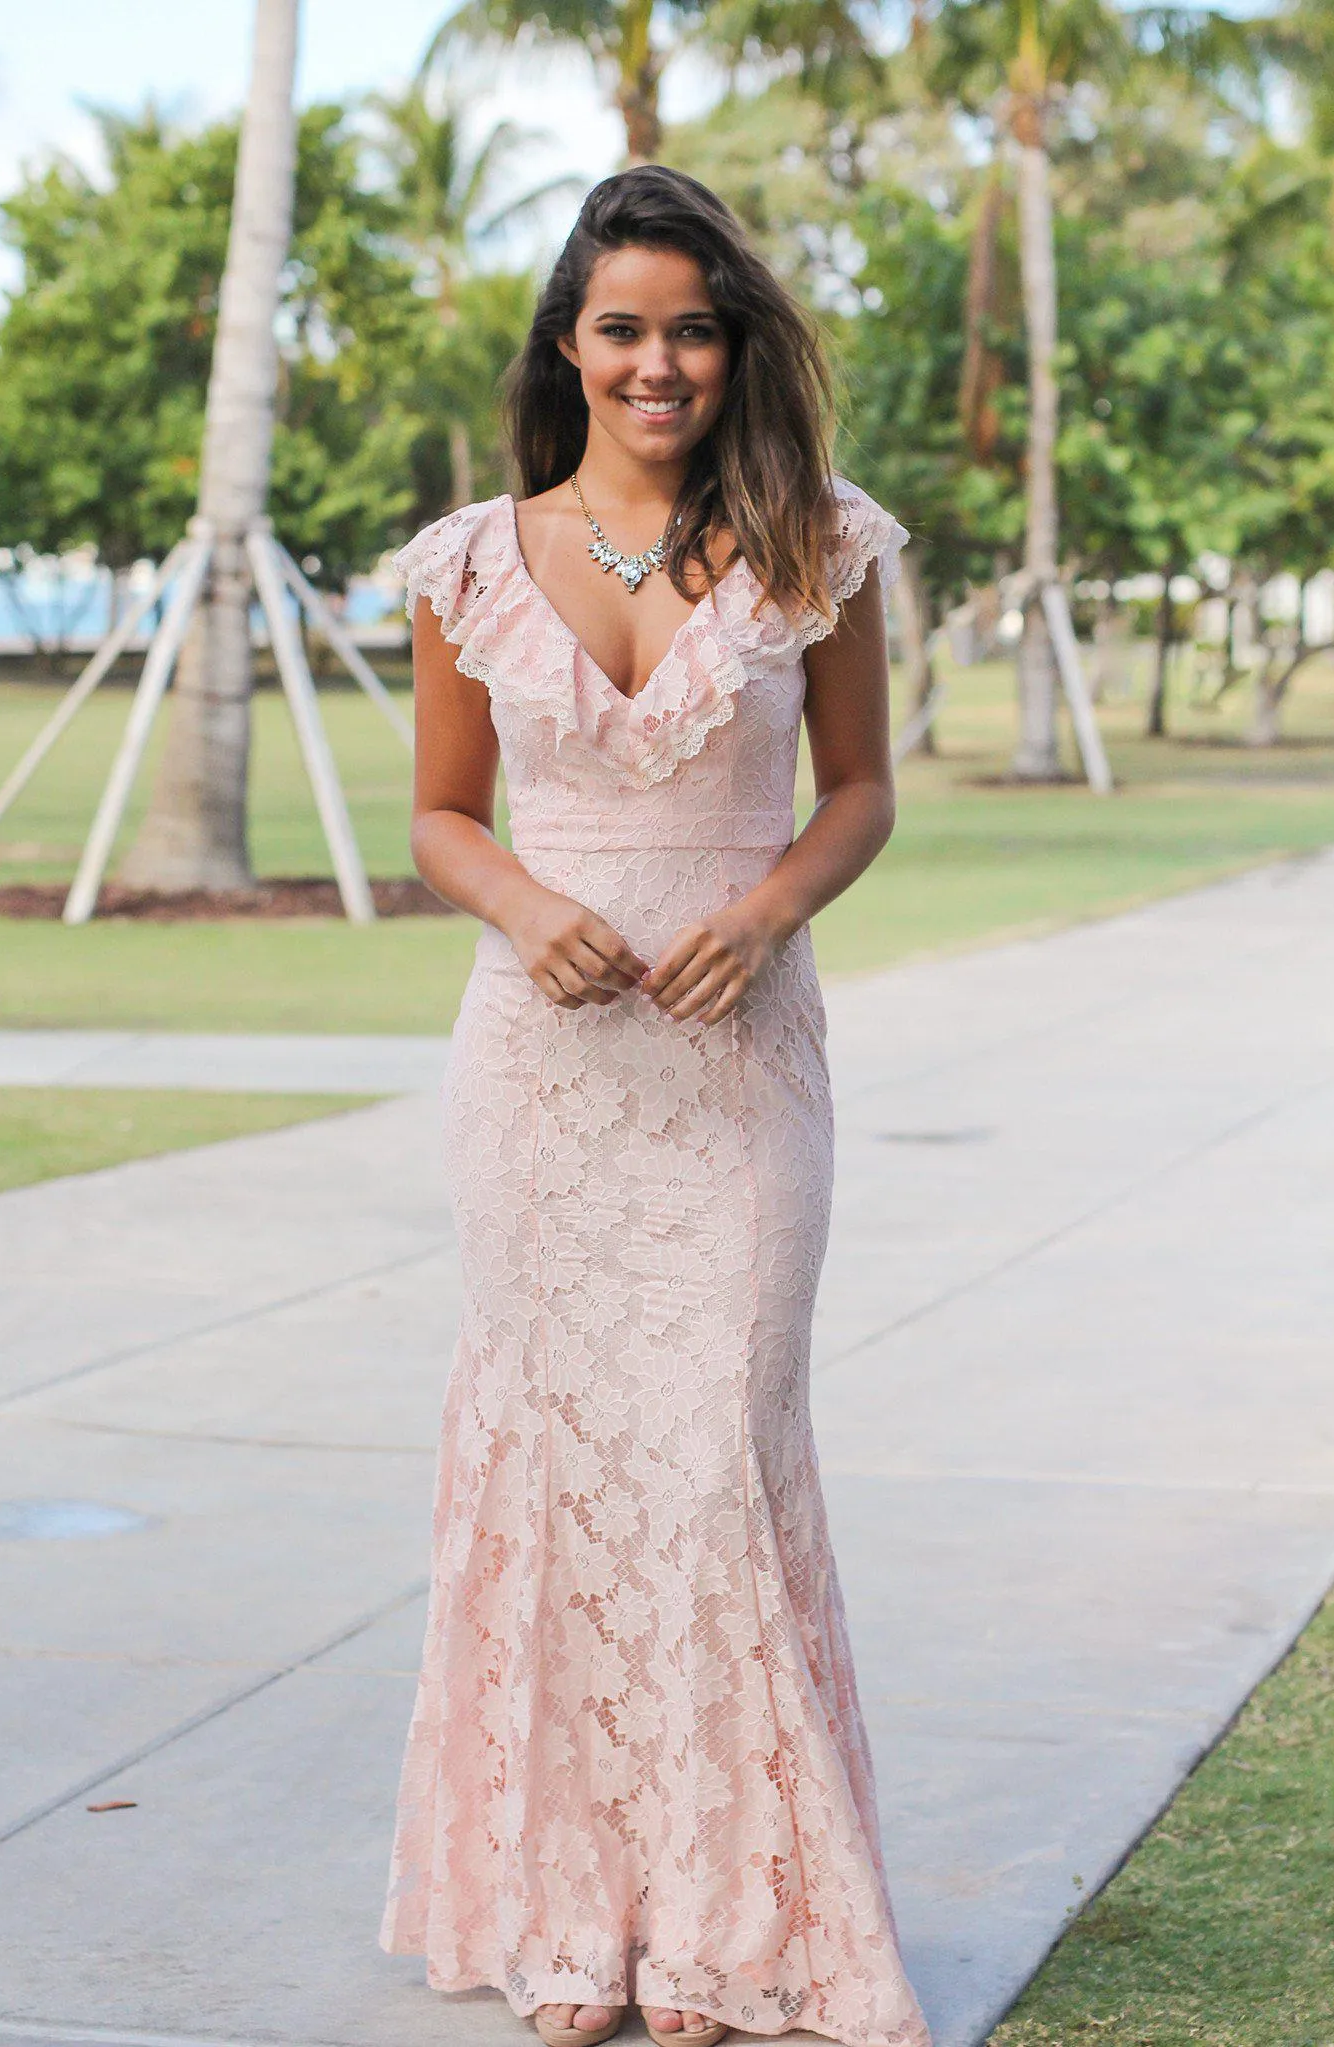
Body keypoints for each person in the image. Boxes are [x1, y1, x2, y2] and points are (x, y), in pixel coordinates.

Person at [379, 165, 931, 2047]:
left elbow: (859, 788)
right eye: (623, 326)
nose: (659, 361)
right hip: (540, 1080)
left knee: (707, 1462)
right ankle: (568, 1921)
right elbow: (445, 815)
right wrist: (532, 907)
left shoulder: (816, 542)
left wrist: (768, 908)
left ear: (734, 342)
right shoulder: (470, 559)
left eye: (693, 325)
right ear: (568, 343)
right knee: (557, 1467)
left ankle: (713, 1926)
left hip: (738, 1071)